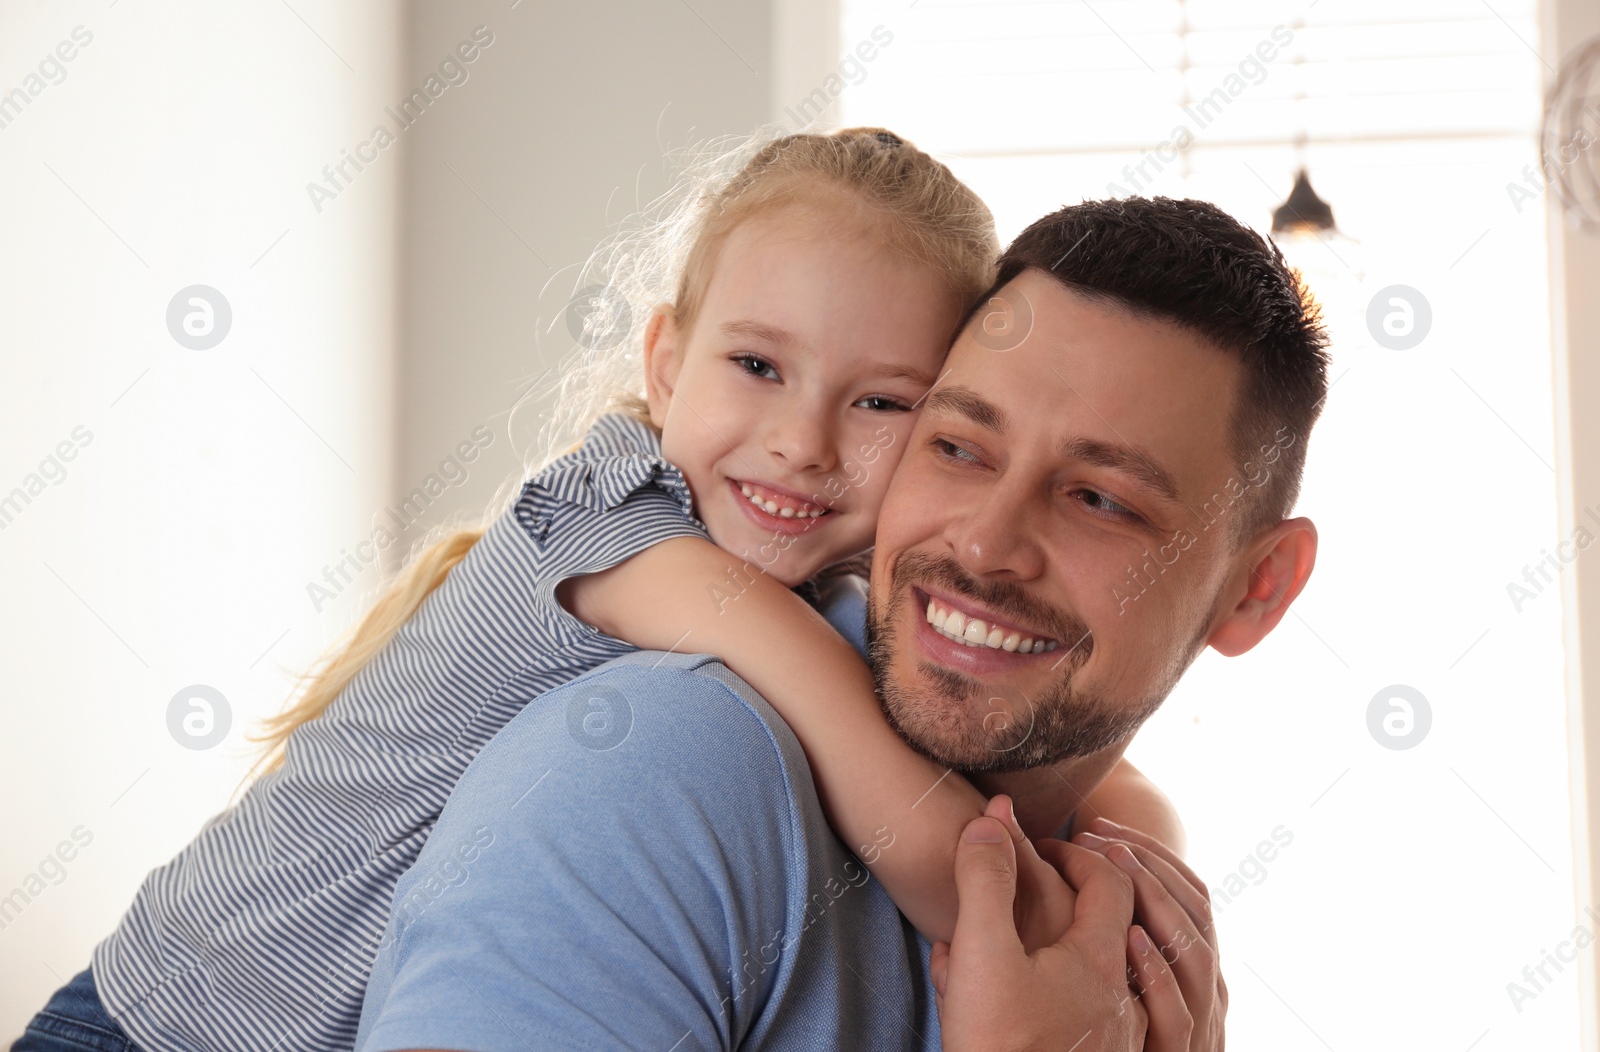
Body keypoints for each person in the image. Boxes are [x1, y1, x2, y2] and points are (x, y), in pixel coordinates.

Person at [14, 129, 1176, 1052]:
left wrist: (1144, 852)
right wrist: (1098, 960)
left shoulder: (827, 579)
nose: (800, 440)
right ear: (666, 361)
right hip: (158, 1026)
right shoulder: (616, 528)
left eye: (883, 403)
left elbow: (1079, 769)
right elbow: (937, 844)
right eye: (757, 366)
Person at [350, 194, 1326, 1050]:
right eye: (957, 445)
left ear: (1259, 587)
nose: (985, 545)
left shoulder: (1120, 920)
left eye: (1098, 500)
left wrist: (1141, 849)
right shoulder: (657, 767)